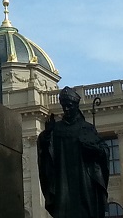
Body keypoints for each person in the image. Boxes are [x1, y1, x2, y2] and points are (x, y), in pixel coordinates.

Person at [36, 87, 109, 218]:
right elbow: (45, 151)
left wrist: (96, 150)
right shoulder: (56, 129)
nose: (66, 109)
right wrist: (47, 134)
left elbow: (103, 150)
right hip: (63, 180)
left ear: (76, 106)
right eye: (64, 106)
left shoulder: (87, 128)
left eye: (69, 106)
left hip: (83, 180)